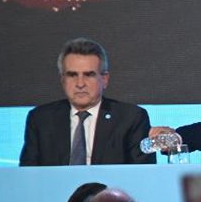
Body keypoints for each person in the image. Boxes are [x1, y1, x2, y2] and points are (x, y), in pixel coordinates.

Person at [19, 38, 154, 166]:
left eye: (89, 75)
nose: (80, 83)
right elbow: (28, 174)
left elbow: (141, 174)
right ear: (62, 80)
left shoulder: (131, 118)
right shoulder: (40, 119)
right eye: (72, 75)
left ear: (105, 79)